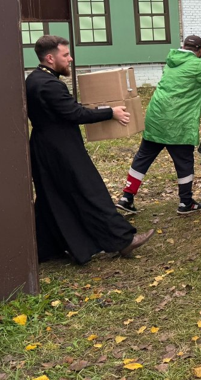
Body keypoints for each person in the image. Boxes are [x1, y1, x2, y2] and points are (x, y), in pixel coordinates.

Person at [26, 35, 154, 263]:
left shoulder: (36, 79)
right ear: (49, 58)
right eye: (65, 55)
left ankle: (45, 248)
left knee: (51, 197)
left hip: (46, 147)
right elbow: (75, 113)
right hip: (61, 149)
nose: (70, 59)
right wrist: (110, 112)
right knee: (89, 192)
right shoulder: (48, 85)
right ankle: (122, 241)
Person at [118, 35, 201, 215]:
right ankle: (186, 203)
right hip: (178, 122)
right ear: (200, 51)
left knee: (143, 157)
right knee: (184, 162)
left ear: (183, 47)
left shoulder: (172, 62)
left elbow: (195, 87)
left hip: (156, 118)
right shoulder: (199, 65)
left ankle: (126, 197)